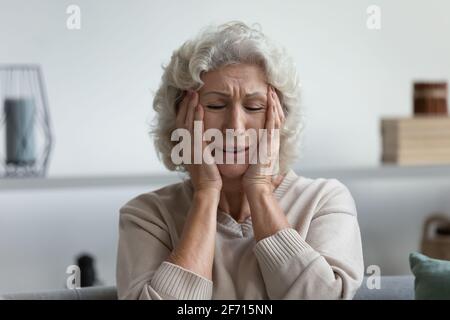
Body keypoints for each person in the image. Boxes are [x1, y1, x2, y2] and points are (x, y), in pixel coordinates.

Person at [116, 21, 364, 300]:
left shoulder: (324, 201)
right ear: (180, 119)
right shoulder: (147, 216)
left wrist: (259, 189)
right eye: (216, 105)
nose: (235, 125)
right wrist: (206, 195)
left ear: (280, 119)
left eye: (254, 107)